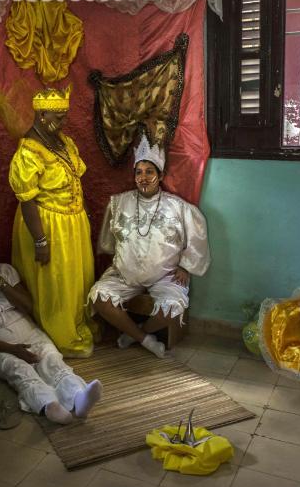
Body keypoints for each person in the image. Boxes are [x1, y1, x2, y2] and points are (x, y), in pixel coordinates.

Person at [0, 231, 103, 425]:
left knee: (51, 359)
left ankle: (79, 399)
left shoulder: (5, 271)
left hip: (30, 333)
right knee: (20, 370)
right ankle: (48, 405)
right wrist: (13, 350)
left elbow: (27, 306)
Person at [89, 134, 210, 357]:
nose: (143, 178)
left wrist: (186, 266)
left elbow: (197, 236)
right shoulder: (119, 203)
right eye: (139, 172)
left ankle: (135, 334)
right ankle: (145, 340)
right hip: (124, 274)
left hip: (165, 276)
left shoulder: (178, 207)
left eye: (150, 172)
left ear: (161, 175)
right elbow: (110, 242)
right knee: (98, 296)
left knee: (174, 307)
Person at [8, 86, 96, 358]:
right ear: (41, 114)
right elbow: (27, 200)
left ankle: (76, 324)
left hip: (72, 224)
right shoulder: (29, 151)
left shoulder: (64, 142)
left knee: (76, 279)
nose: (62, 122)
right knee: (56, 283)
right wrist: (40, 240)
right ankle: (60, 335)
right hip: (47, 225)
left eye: (64, 116)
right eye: (57, 117)